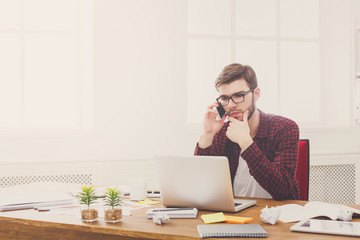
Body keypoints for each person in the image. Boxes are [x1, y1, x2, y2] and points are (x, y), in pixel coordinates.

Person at [194, 63, 300, 200]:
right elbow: (200, 185)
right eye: (225, 98)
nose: (231, 105)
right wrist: (207, 134)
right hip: (234, 216)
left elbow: (284, 192)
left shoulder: (285, 128)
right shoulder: (221, 132)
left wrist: (246, 143)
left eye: (239, 95)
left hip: (277, 215)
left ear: (256, 94)